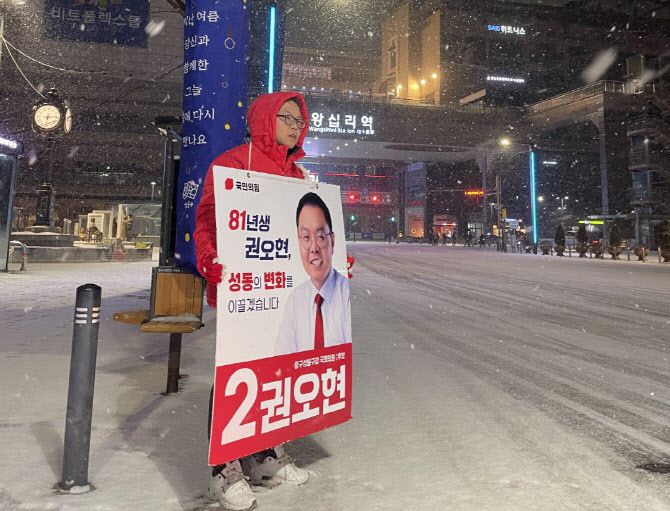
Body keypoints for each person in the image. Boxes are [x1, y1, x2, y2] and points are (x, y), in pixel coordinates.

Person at [194, 91, 312, 511]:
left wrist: (332, 261)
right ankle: (224, 471)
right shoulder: (231, 163)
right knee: (237, 372)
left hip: (284, 291)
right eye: (287, 118)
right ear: (265, 119)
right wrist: (208, 256)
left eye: (300, 121)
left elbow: (311, 229)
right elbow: (207, 221)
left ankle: (264, 456)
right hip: (244, 290)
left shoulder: (298, 175)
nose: (295, 127)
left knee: (277, 371)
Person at [274, 192, 351, 355]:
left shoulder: (348, 295)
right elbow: (282, 359)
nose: (314, 248)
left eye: (321, 236)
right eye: (306, 237)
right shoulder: (296, 300)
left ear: (332, 241)